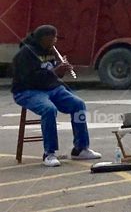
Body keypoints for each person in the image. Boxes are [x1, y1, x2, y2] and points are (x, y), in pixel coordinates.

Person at [11, 25, 102, 167]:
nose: (55, 41)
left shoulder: (50, 50)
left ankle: (80, 149)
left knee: (78, 104)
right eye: (53, 37)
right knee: (49, 109)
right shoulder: (26, 54)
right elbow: (30, 79)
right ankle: (49, 153)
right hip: (27, 90)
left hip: (50, 88)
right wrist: (55, 71)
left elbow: (52, 74)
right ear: (43, 38)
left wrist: (61, 69)